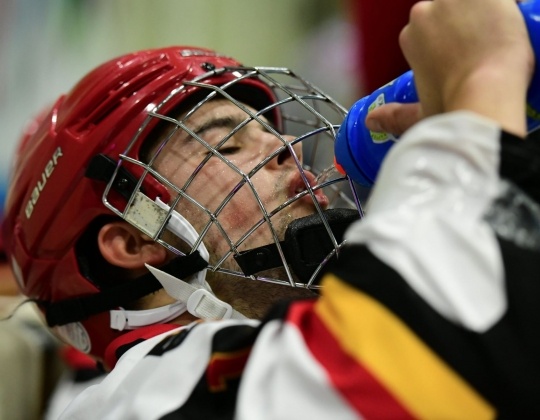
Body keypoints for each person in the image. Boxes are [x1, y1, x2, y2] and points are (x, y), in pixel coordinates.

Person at [2, 0, 540, 418]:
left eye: (268, 131)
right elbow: (419, 368)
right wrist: (481, 88)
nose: (290, 148)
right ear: (135, 242)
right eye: (227, 144)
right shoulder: (131, 401)